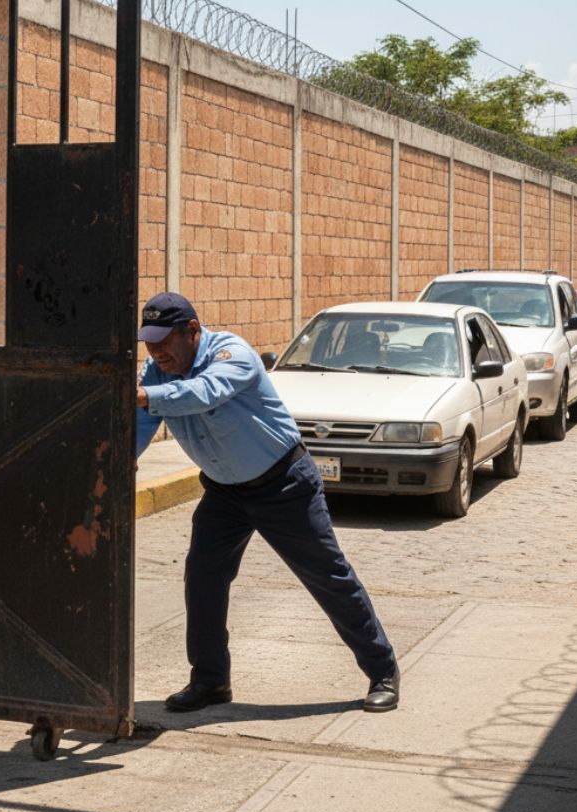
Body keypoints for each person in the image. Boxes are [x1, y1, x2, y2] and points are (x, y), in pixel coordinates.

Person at [135, 292, 400, 714]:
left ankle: (382, 670)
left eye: (163, 341)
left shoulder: (231, 354)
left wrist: (145, 396)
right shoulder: (156, 373)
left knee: (328, 576)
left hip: (283, 485)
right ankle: (210, 681)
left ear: (192, 331)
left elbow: (204, 393)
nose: (156, 352)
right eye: (149, 343)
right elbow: (137, 428)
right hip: (224, 492)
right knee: (203, 578)